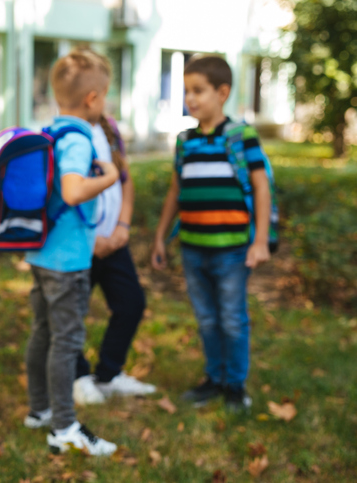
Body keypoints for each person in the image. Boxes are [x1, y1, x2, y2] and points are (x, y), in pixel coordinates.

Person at [151, 56, 272, 413]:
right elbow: (176, 191)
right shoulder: (185, 140)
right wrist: (161, 236)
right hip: (192, 247)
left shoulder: (240, 136)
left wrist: (261, 240)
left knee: (232, 319)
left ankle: (234, 384)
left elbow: (261, 188)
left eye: (198, 91)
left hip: (232, 249)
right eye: (187, 90)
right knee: (206, 318)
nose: (190, 98)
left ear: (222, 93)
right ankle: (213, 378)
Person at [23, 50, 120, 456]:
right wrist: (111, 176)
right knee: (66, 341)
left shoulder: (52, 131)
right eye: (107, 97)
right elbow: (72, 190)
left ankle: (39, 410)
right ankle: (64, 426)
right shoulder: (79, 138)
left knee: (43, 333)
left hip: (42, 253)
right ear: (93, 99)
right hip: (67, 261)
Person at [72, 112, 157, 406]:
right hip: (83, 247)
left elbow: (125, 179)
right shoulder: (69, 132)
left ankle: (108, 373)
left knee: (131, 303)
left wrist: (123, 226)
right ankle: (78, 378)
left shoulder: (110, 129)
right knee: (72, 314)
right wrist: (92, 239)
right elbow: (64, 191)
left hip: (115, 241)